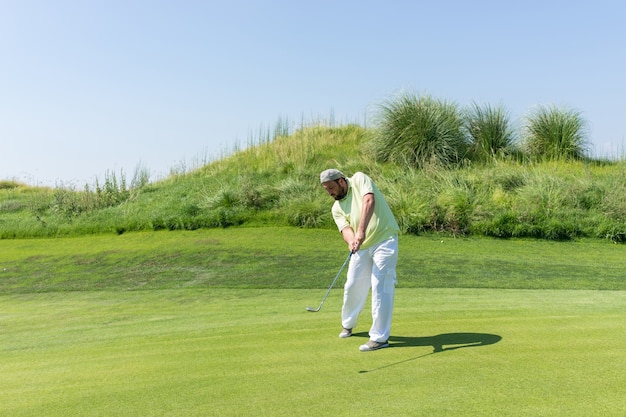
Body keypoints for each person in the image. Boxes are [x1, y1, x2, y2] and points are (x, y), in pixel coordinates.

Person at [319, 169, 400, 351]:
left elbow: (369, 201)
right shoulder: (336, 208)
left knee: (381, 285)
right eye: (326, 190)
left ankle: (379, 337)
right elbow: (346, 230)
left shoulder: (359, 179)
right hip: (362, 247)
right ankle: (348, 324)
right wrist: (351, 242)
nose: (329, 192)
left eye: (331, 187)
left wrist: (361, 231)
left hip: (384, 240)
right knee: (353, 284)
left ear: (341, 181)